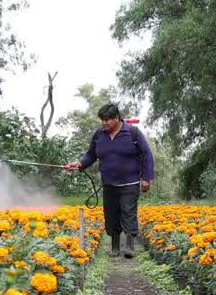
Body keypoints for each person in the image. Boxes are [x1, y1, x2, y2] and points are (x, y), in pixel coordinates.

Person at [65, 104, 154, 258]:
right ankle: (115, 247)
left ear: (116, 118)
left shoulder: (132, 132)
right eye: (102, 120)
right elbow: (91, 155)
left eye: (107, 120)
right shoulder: (99, 135)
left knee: (128, 213)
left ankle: (129, 247)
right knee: (111, 215)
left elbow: (147, 155)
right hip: (109, 184)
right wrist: (80, 163)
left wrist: (146, 178)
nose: (104, 123)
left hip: (130, 183)